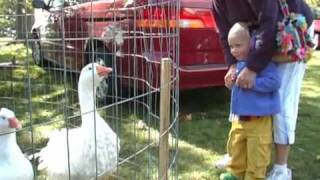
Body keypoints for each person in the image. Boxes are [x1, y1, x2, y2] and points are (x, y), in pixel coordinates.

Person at [212, 1, 314, 179]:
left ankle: (281, 168)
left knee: (282, 98)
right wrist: (233, 66)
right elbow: (225, 34)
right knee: (240, 86)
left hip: (288, 34)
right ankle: (238, 156)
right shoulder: (216, 2)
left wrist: (252, 68)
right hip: (257, 36)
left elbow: (270, 23)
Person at [219, 22, 281, 180]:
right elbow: (238, 89)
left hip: (259, 121)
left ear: (252, 43)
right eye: (231, 46)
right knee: (236, 148)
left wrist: (254, 83)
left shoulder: (263, 64)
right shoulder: (238, 65)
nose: (233, 50)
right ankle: (235, 174)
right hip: (239, 120)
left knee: (257, 155)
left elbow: (275, 82)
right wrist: (230, 82)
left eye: (238, 45)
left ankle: (254, 177)